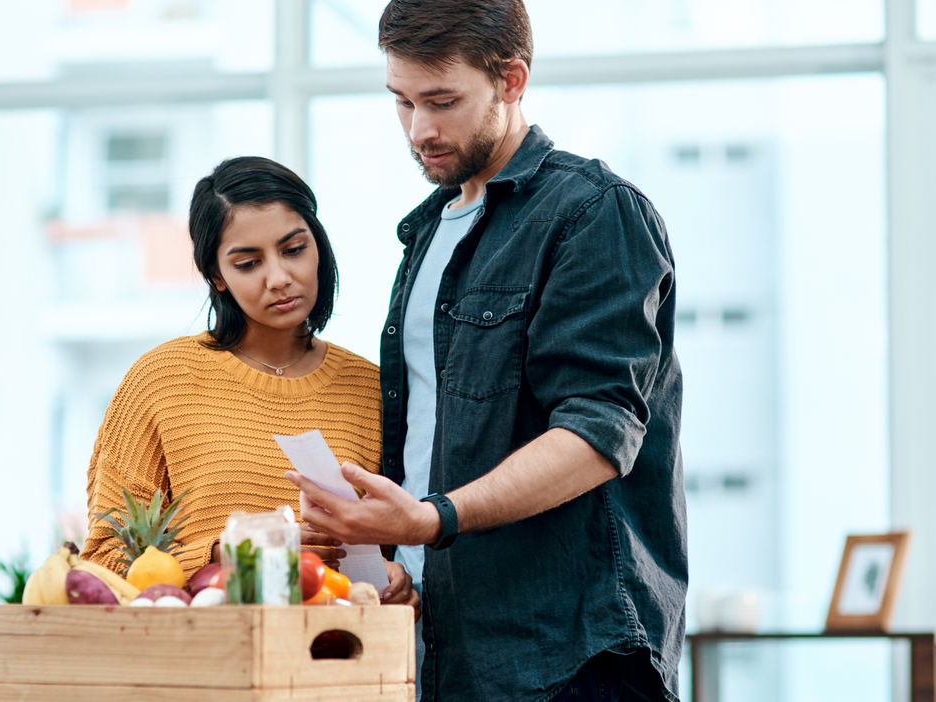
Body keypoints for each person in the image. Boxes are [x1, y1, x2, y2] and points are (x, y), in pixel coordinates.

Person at [285, 2, 686, 700]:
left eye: (442, 101)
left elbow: (597, 434)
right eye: (403, 101)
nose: (420, 130)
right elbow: (435, 440)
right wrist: (397, 554)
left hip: (570, 654)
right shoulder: (430, 231)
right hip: (448, 645)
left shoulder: (593, 213)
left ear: (511, 80)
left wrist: (430, 518)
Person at [81, 155, 416, 609]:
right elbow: (104, 562)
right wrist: (228, 557)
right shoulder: (160, 381)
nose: (279, 278)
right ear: (216, 275)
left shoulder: (374, 389)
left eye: (294, 249)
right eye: (248, 263)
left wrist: (399, 581)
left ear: (318, 245)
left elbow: (405, 540)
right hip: (208, 663)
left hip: (338, 662)